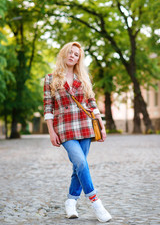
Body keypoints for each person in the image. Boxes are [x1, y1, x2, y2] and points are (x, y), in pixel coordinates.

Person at [43, 41, 112, 223]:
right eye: (70, 52)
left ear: (79, 58)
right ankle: (96, 202)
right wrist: (51, 131)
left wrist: (101, 125)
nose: (72, 55)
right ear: (64, 53)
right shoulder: (50, 79)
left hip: (85, 126)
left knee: (78, 166)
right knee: (81, 162)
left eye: (76, 54)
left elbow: (92, 103)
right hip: (64, 129)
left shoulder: (83, 77)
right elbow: (48, 108)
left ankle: (71, 201)